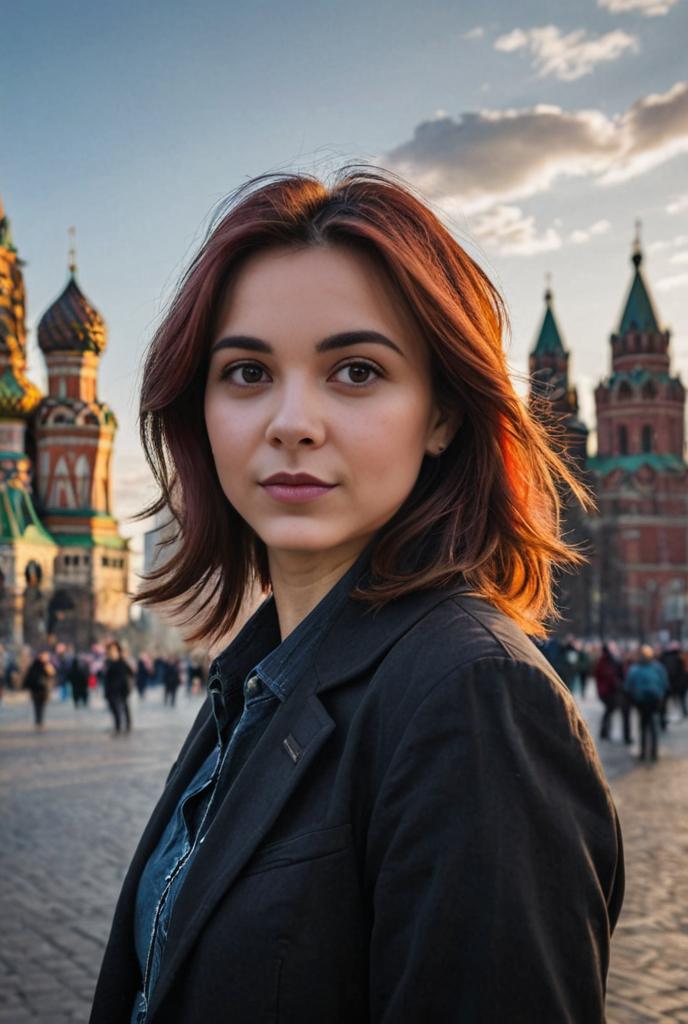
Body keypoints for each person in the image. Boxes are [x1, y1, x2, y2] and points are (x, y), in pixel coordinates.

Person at [90, 169, 624, 1023]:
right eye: (247, 372)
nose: (292, 421)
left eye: (357, 371)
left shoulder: (474, 700)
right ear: (201, 412)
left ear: (443, 414)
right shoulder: (259, 678)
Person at [625, 644, 669, 763]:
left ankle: (644, 753)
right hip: (655, 700)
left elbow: (628, 686)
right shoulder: (658, 667)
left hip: (641, 702)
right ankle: (654, 752)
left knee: (643, 726)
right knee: (653, 726)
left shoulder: (635, 669)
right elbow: (665, 683)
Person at [595, 643, 625, 741]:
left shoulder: (604, 660)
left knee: (609, 711)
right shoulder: (607, 661)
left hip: (606, 690)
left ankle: (605, 731)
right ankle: (605, 731)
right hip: (608, 690)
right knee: (609, 711)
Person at [103, 641, 134, 734]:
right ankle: (118, 726)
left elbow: (131, 673)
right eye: (110, 650)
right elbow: (105, 676)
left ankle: (127, 725)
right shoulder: (108, 662)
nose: (112, 652)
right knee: (114, 708)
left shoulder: (122, 661)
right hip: (111, 689)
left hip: (122, 689)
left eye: (114, 650)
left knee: (124, 707)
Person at [22, 651, 55, 729]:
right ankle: (38, 721)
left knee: (41, 706)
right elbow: (29, 676)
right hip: (37, 689)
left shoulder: (46, 665)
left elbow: (52, 675)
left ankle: (39, 721)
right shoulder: (35, 665)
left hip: (43, 689)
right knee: (38, 706)